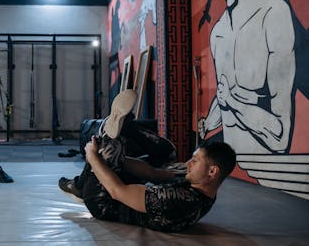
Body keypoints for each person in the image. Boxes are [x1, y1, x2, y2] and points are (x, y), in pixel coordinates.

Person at [59, 90, 236, 232]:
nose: (189, 163)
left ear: (213, 171)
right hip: (124, 191)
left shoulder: (174, 201)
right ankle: (127, 128)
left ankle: (83, 182)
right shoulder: (202, 185)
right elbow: (152, 173)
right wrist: (119, 160)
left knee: (108, 146)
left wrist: (92, 156)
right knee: (167, 151)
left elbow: (116, 191)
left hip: (103, 201)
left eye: (195, 161)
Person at [198, 0, 295, 154]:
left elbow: (280, 137)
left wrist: (233, 102)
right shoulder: (218, 32)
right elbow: (225, 94)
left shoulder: (274, 15)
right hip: (228, 167)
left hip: (266, 167)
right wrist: (208, 124)